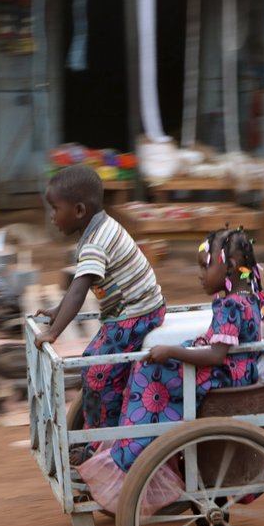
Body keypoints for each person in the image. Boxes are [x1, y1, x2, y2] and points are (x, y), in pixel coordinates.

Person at [78, 226, 264, 513]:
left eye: (204, 266)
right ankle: (135, 440)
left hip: (223, 375)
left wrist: (171, 351)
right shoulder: (254, 298)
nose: (200, 275)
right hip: (238, 369)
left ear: (228, 267)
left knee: (149, 374)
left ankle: (132, 451)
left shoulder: (230, 306)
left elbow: (216, 355)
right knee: (157, 364)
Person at [35, 165, 166, 462]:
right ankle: (105, 429)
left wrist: (53, 332)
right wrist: (58, 311)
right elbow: (77, 288)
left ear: (79, 210)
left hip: (137, 315)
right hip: (131, 311)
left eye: (55, 209)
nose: (52, 216)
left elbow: (79, 291)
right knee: (96, 365)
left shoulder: (96, 241)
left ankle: (102, 446)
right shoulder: (98, 229)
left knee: (98, 369)